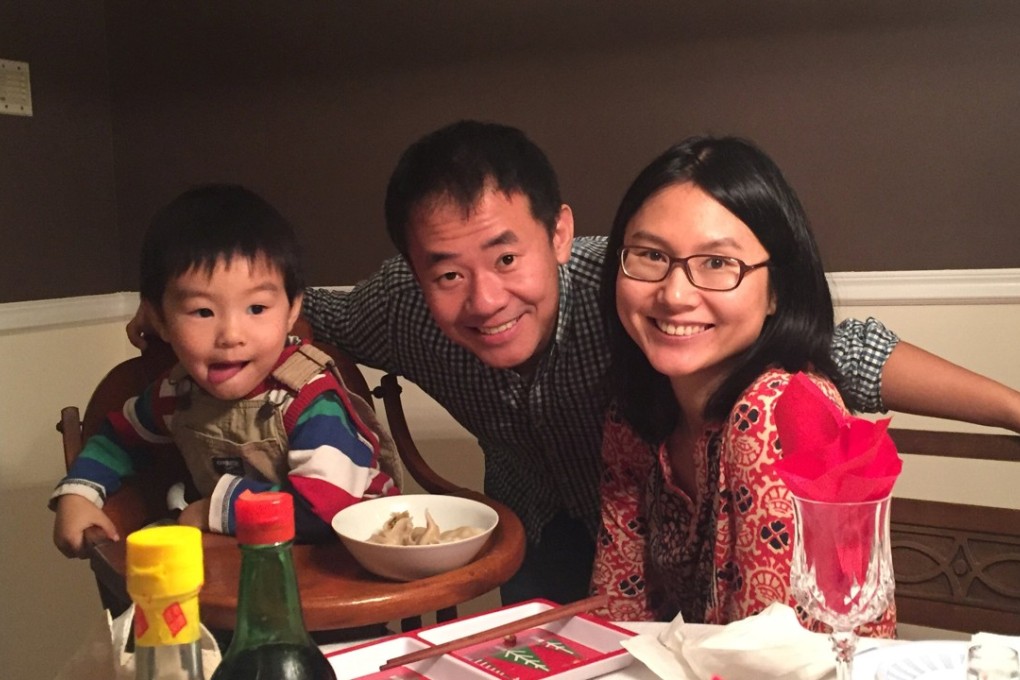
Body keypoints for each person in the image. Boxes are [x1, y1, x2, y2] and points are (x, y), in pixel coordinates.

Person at [126, 121, 1020, 605]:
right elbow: (278, 308)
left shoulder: (634, 282)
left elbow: (840, 350)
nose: (483, 299)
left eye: (507, 257)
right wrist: (172, 322)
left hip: (703, 538)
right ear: (413, 267)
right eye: (447, 271)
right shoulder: (399, 305)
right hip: (546, 531)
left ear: (559, 233)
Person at [590, 135, 894, 635]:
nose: (674, 293)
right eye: (649, 254)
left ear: (777, 291)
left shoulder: (776, 409)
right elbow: (617, 609)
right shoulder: (636, 405)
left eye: (717, 263)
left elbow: (765, 652)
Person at [52, 184, 398, 558]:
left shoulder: (311, 401)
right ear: (160, 320)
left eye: (257, 308)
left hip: (345, 568)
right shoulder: (176, 394)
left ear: (292, 310)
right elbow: (117, 436)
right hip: (246, 564)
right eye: (202, 311)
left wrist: (213, 509)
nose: (231, 336)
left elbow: (323, 513)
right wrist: (80, 491)